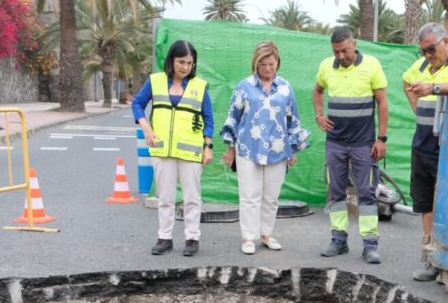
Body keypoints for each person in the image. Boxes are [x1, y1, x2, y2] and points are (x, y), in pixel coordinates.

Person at [402, 22, 448, 281]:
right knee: (425, 203)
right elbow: (406, 81)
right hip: (422, 144)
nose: (427, 56)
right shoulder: (423, 65)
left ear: (447, 41)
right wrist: (417, 106)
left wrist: (433, 88)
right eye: (423, 51)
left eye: (431, 49)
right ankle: (432, 259)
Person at [221, 41, 311, 255]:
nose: (268, 69)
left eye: (271, 64)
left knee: (271, 197)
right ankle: (248, 237)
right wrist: (230, 148)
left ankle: (266, 234)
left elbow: (292, 119)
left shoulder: (285, 88)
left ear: (277, 63)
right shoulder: (244, 87)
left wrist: (292, 149)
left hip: (278, 150)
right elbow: (233, 116)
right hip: (247, 148)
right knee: (249, 195)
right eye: (263, 64)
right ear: (256, 64)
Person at [312, 26, 389, 264]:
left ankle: (370, 244)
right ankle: (339, 240)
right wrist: (318, 115)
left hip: (363, 143)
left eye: (344, 50)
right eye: (336, 52)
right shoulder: (326, 67)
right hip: (335, 142)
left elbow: (383, 103)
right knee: (336, 191)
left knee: (366, 192)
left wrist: (381, 138)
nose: (341, 56)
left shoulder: (372, 65)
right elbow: (317, 91)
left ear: (354, 44)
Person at [132, 39, 214, 257]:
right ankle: (164, 238)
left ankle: (192, 238)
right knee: (165, 197)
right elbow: (137, 104)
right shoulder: (155, 82)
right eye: (181, 62)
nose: (185, 67)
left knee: (192, 198)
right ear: (171, 60)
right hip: (163, 151)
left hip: (190, 152)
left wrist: (208, 147)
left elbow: (208, 118)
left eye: (190, 63)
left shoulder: (200, 86)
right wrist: (146, 128)